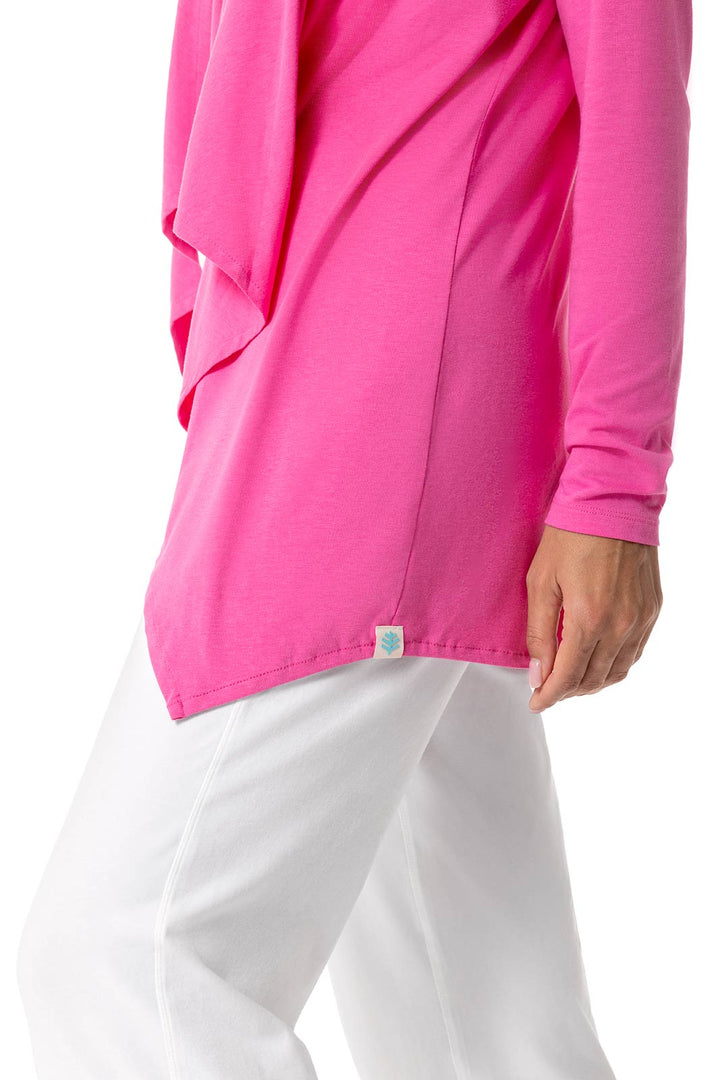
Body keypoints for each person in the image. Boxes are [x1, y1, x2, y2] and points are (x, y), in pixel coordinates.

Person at [16, 0, 692, 1076]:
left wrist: (615, 481)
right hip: (310, 368)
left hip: (392, 397)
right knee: (481, 1019)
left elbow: (634, 106)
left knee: (129, 958)